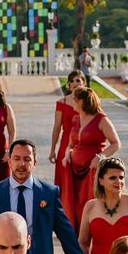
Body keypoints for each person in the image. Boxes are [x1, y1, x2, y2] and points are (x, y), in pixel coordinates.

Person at [63, 87, 120, 232]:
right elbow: (71, 144)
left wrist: (100, 156)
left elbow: (116, 143)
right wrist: (67, 154)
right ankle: (76, 233)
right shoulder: (76, 119)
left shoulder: (101, 119)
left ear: (81, 101)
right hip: (74, 168)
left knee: (89, 200)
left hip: (92, 169)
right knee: (74, 201)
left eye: (74, 99)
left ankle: (92, 230)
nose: (71, 102)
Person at [50, 69, 89, 199]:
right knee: (64, 183)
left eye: (78, 80)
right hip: (65, 146)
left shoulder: (89, 103)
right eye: (71, 81)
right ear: (68, 84)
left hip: (84, 147)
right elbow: (56, 127)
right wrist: (52, 150)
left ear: (84, 83)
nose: (75, 83)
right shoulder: (61, 103)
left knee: (81, 184)